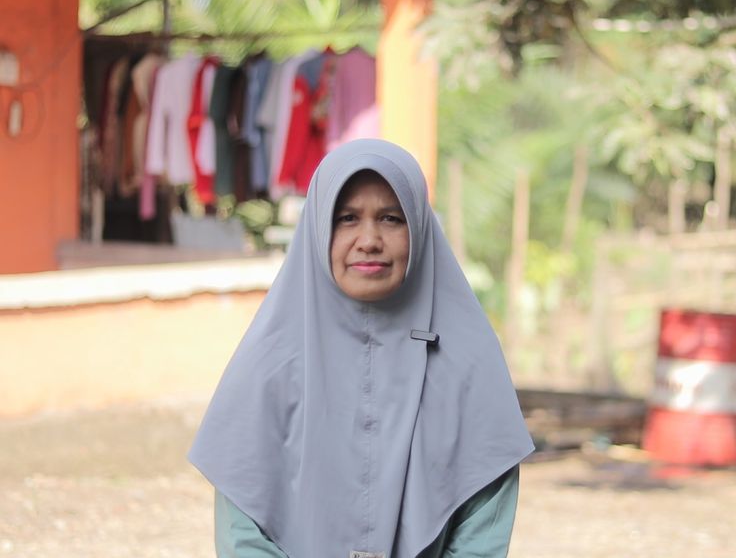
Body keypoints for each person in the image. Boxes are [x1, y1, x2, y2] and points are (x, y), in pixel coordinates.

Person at [189, 139, 535, 558]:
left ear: (419, 226)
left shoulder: (471, 364)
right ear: (319, 227)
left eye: (391, 218)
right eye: (347, 218)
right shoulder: (268, 363)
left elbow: (480, 536)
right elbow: (244, 532)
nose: (369, 240)